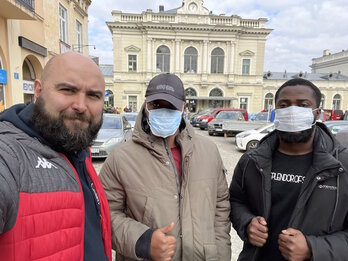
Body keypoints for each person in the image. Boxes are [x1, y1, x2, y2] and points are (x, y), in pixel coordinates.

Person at [99, 73, 231, 261]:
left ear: (183, 108)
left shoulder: (209, 151)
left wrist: (220, 255)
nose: (163, 111)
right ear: (146, 106)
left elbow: (221, 209)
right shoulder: (121, 158)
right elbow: (105, 213)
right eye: (156, 105)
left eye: (171, 106)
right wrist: (141, 241)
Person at [0, 52, 112, 261]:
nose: (81, 105)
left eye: (93, 95)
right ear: (38, 90)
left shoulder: (78, 149)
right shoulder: (8, 154)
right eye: (68, 90)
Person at [229, 78, 348, 261]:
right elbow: (236, 201)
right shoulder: (252, 161)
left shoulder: (342, 165)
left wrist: (312, 248)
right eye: (284, 105)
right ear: (276, 111)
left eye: (303, 105)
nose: (292, 111)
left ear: (317, 113)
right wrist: (247, 223)